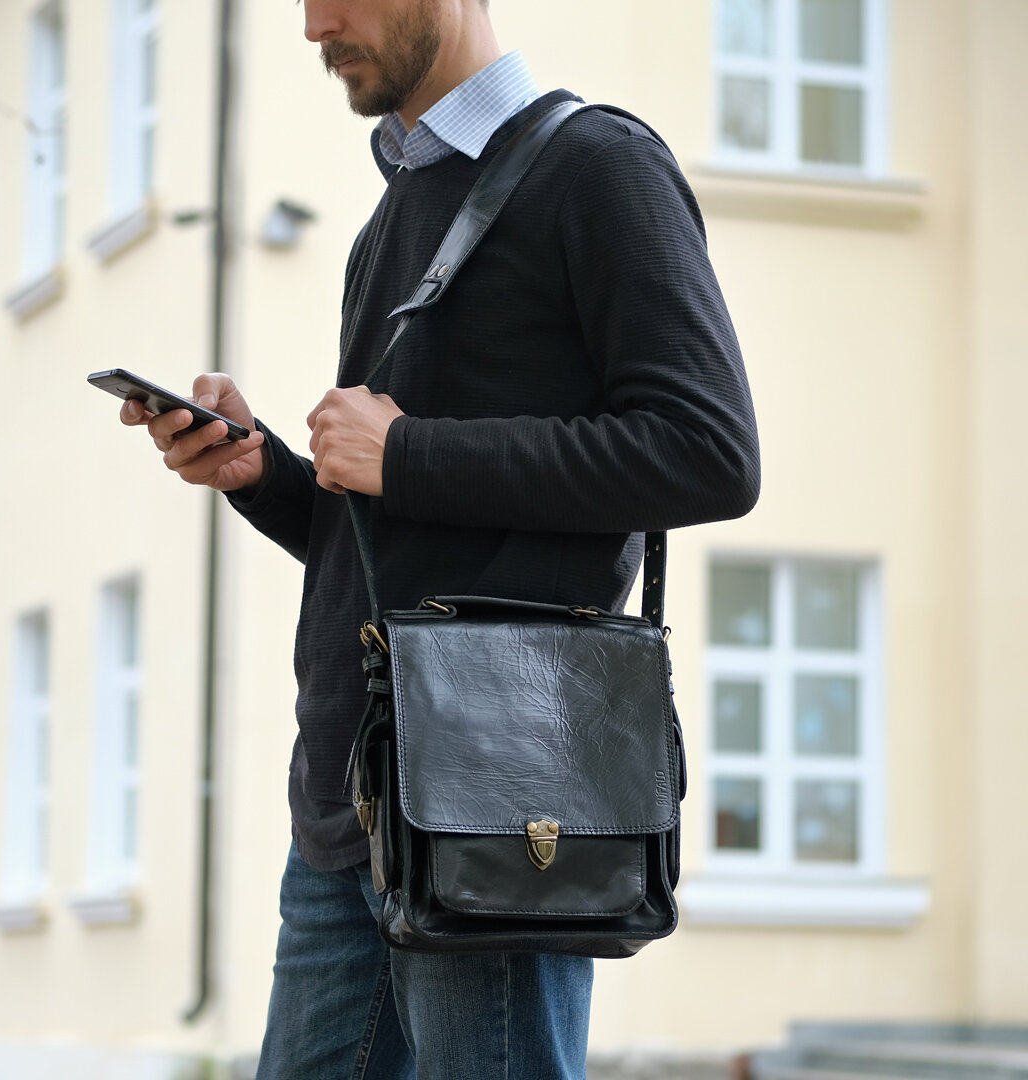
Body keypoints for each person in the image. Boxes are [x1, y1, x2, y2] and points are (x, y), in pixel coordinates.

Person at [121, 0, 761, 1076]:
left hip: (498, 800)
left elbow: (709, 453)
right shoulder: (395, 214)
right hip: (349, 805)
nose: (315, 24)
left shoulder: (599, 168)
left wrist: (408, 453)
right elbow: (405, 543)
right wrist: (266, 476)